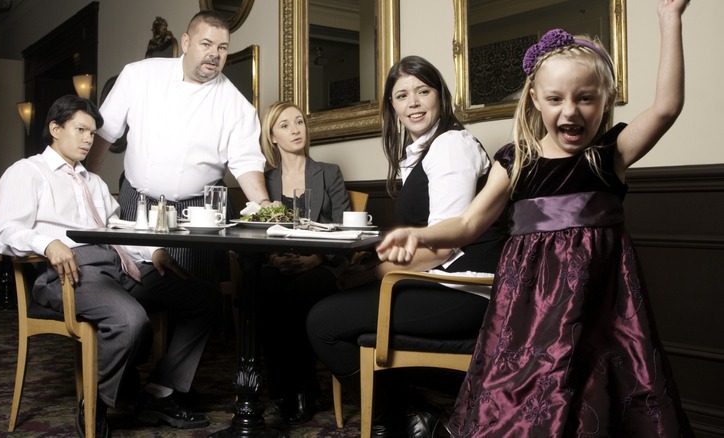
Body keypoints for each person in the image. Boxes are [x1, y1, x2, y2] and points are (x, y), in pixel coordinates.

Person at [377, 1, 694, 436]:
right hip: (530, 309)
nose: (571, 111)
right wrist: (419, 234)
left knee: (597, 395)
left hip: (601, 304)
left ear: (606, 100)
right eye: (555, 99)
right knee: (528, 401)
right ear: (535, 100)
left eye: (586, 98)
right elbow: (469, 224)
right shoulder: (516, 161)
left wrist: (669, 19)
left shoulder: (609, 156)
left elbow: (667, 107)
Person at [0, 95, 222, 438]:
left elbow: (115, 232)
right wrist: (48, 243)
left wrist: (154, 253)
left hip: (119, 266)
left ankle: (160, 391)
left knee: (204, 296)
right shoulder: (27, 172)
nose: (89, 139)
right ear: (55, 129)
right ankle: (96, 401)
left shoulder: (94, 182)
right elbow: (6, 232)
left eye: (93, 132)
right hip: (68, 271)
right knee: (131, 320)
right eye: (81, 130)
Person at [307, 56, 507, 438]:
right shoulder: (419, 153)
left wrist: (369, 273)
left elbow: (444, 246)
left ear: (440, 97)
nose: (413, 102)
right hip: (439, 280)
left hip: (466, 289)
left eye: (423, 91)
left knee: (323, 321)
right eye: (402, 95)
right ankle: (402, 413)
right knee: (326, 295)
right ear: (393, 107)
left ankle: (407, 413)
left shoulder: (451, 146)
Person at [86, 10, 271, 282]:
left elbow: (246, 163)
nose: (214, 54)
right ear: (186, 42)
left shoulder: (236, 105)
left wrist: (265, 206)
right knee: (135, 283)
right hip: (137, 201)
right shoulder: (139, 75)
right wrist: (88, 184)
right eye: (206, 44)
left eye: (222, 47)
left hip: (198, 212)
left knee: (195, 287)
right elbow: (105, 133)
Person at [257, 101, 351, 425]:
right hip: (280, 263)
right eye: (285, 125)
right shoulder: (264, 180)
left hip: (323, 264)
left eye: (299, 122)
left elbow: (346, 230)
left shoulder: (329, 172)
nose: (296, 130)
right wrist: (273, 256)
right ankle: (280, 392)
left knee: (295, 295)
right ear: (272, 137)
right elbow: (257, 229)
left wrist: (316, 258)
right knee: (265, 286)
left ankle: (304, 389)